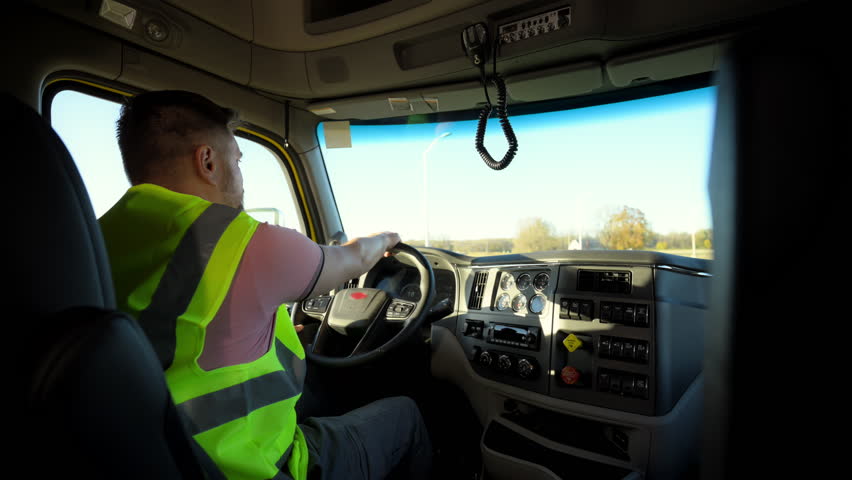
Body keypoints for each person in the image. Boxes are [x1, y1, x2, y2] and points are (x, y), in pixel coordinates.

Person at [98, 90, 432, 480]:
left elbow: (179, 329)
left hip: (161, 453)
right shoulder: (241, 240)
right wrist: (386, 240)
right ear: (207, 161)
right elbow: (354, 260)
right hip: (251, 466)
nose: (241, 179)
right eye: (236, 160)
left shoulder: (98, 236)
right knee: (406, 415)